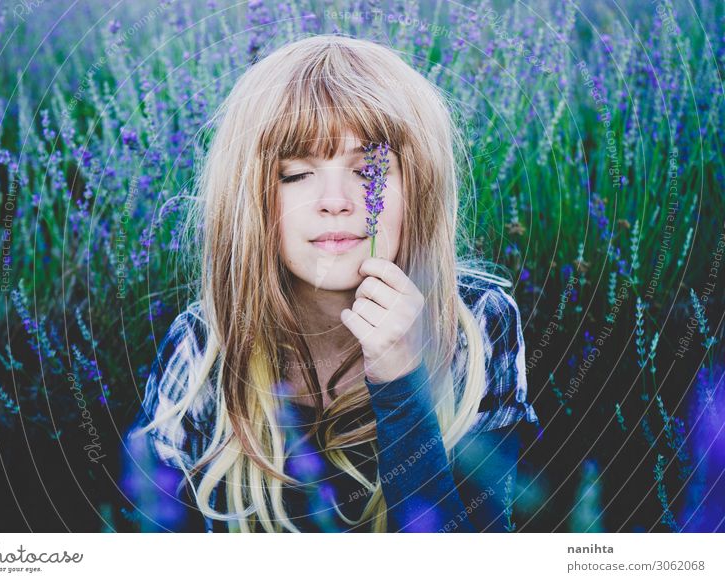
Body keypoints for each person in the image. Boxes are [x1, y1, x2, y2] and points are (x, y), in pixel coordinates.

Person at [121, 34, 540, 533]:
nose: (336, 200)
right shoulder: (204, 349)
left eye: (368, 171)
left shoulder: (475, 324)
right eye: (296, 173)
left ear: (420, 187)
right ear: (251, 199)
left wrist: (403, 382)